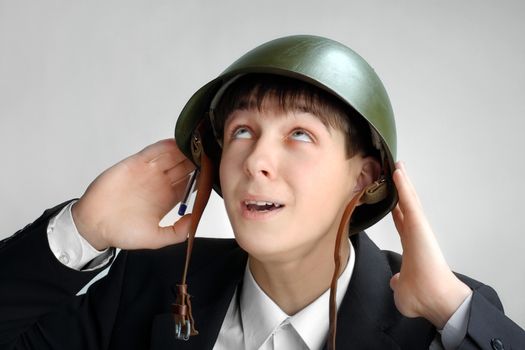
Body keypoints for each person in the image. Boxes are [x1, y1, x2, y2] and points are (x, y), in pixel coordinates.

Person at [0, 35, 524, 350]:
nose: (256, 161)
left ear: (363, 178)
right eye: (242, 132)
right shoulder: (147, 285)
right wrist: (82, 231)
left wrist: (448, 311)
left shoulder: (443, 320)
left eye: (300, 134)